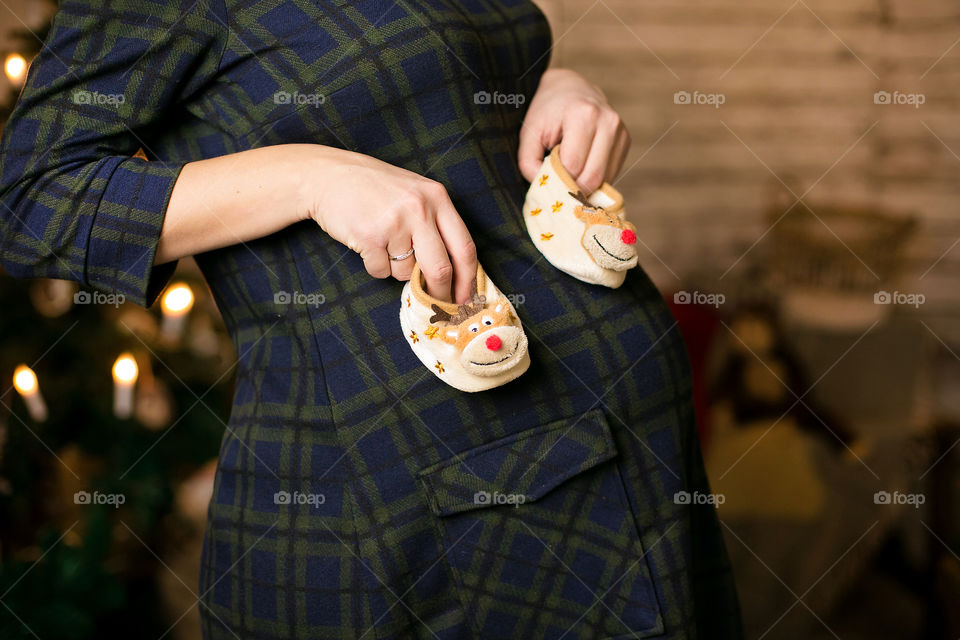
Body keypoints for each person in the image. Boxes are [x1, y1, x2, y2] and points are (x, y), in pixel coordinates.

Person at [0, 1, 742, 638]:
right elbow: (33, 200)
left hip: (627, 437)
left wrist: (555, 84)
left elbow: (431, 80)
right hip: (431, 480)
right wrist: (310, 177)